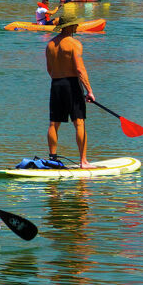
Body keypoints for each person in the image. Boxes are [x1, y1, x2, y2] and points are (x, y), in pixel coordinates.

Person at [45, 9, 96, 167]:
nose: (77, 26)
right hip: (72, 85)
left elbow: (49, 69)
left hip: (56, 84)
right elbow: (80, 69)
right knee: (79, 122)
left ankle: (52, 159)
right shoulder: (74, 44)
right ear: (69, 26)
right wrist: (89, 91)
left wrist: (59, 80)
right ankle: (83, 161)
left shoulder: (50, 44)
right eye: (74, 24)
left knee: (54, 123)